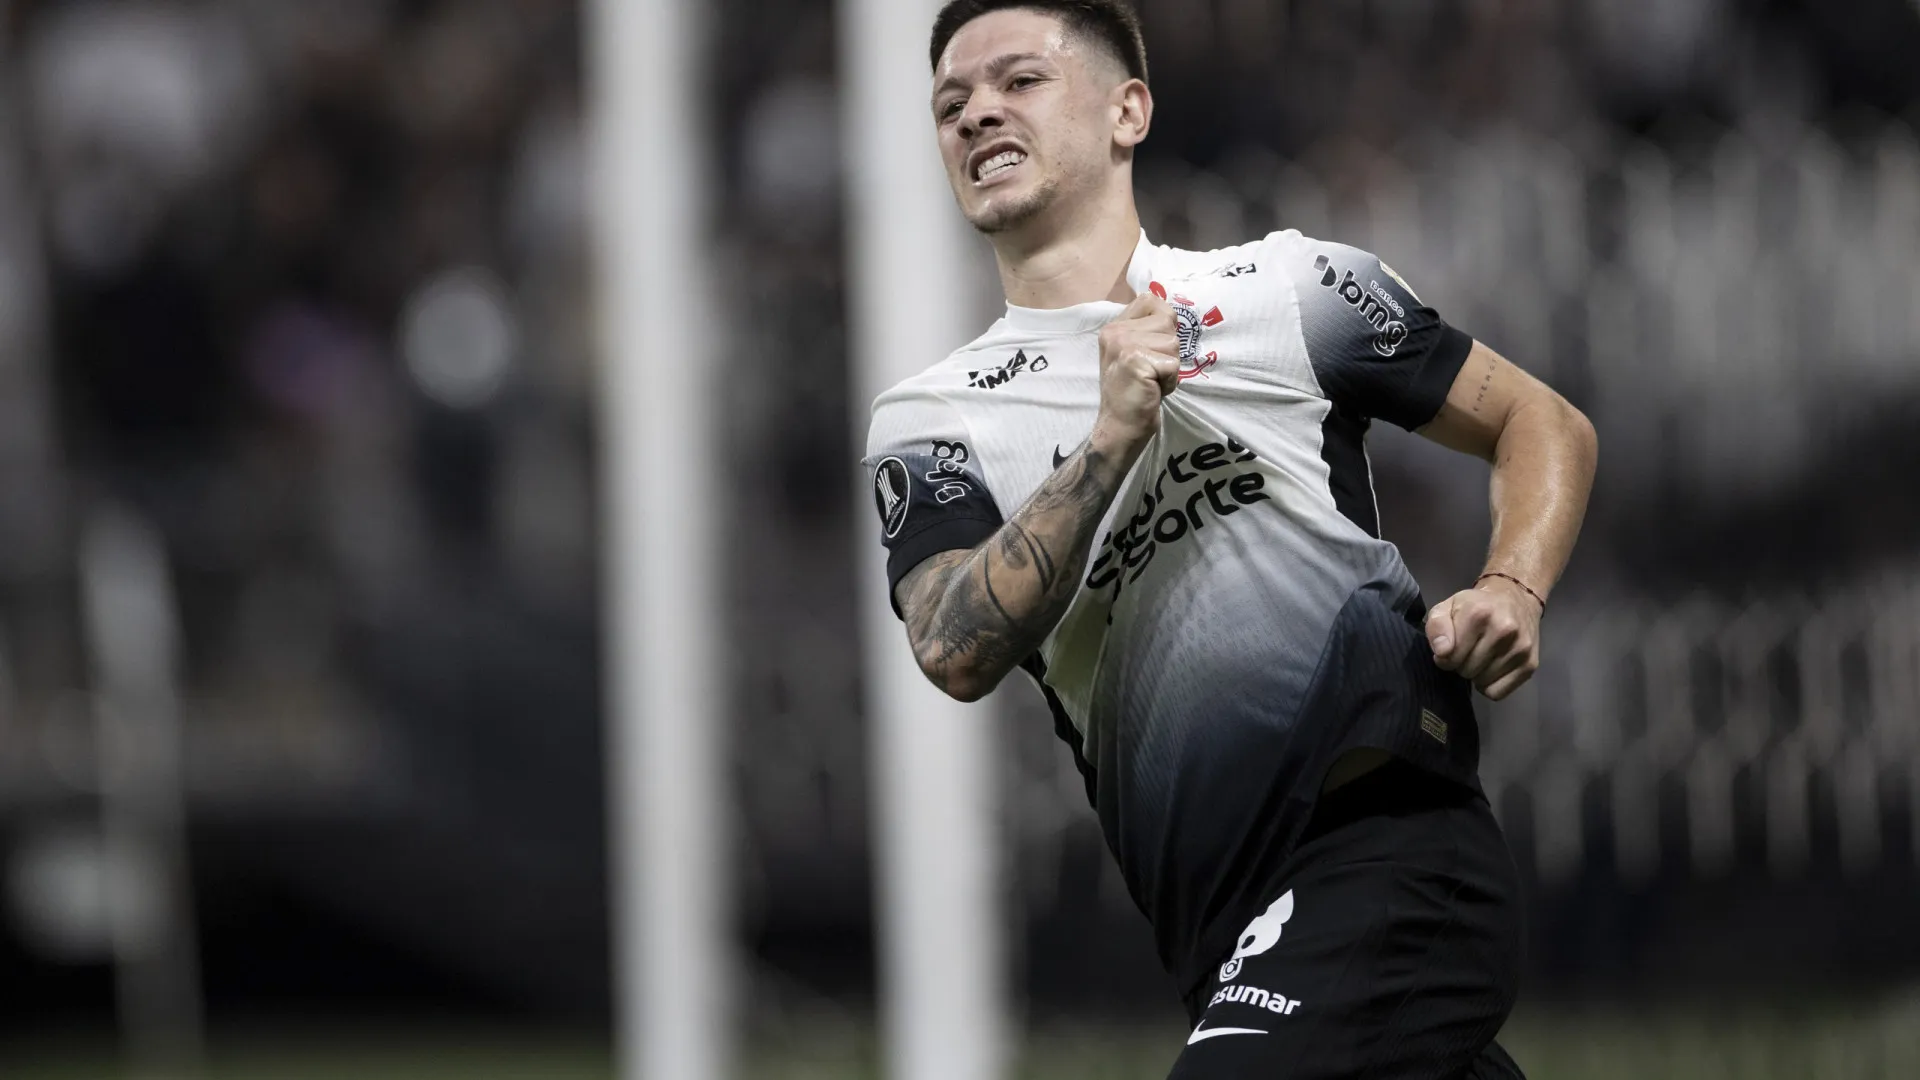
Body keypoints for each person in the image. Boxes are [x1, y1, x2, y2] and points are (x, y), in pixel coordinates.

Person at [862, 2, 1597, 1075]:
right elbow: (950, 647)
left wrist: (1512, 587)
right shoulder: (934, 417)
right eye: (950, 104)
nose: (977, 114)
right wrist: (1110, 441)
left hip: (1385, 843)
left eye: (1019, 81)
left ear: (1128, 111)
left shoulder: (1288, 289)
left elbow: (1542, 423)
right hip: (1222, 922)